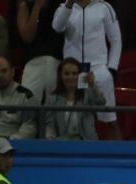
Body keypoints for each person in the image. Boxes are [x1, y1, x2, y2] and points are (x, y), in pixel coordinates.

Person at [52, 0, 123, 140]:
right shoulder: (63, 8)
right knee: (77, 119)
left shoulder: (104, 7)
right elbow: (57, 27)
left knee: (110, 120)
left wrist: (111, 69)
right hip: (73, 73)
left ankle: (117, 157)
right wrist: (69, 5)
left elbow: (116, 40)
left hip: (99, 70)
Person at [44, 57, 106, 140]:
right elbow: (49, 125)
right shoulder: (52, 99)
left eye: (74, 73)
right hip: (62, 146)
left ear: (80, 75)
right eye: (66, 74)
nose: (71, 77)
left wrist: (93, 85)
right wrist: (51, 140)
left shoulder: (87, 94)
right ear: (60, 76)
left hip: (88, 145)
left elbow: (101, 103)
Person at [16, 0, 64, 104]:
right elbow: (27, 37)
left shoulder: (64, 4)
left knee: (54, 105)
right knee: (26, 103)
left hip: (57, 61)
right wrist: (37, 7)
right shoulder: (26, 5)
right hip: (33, 62)